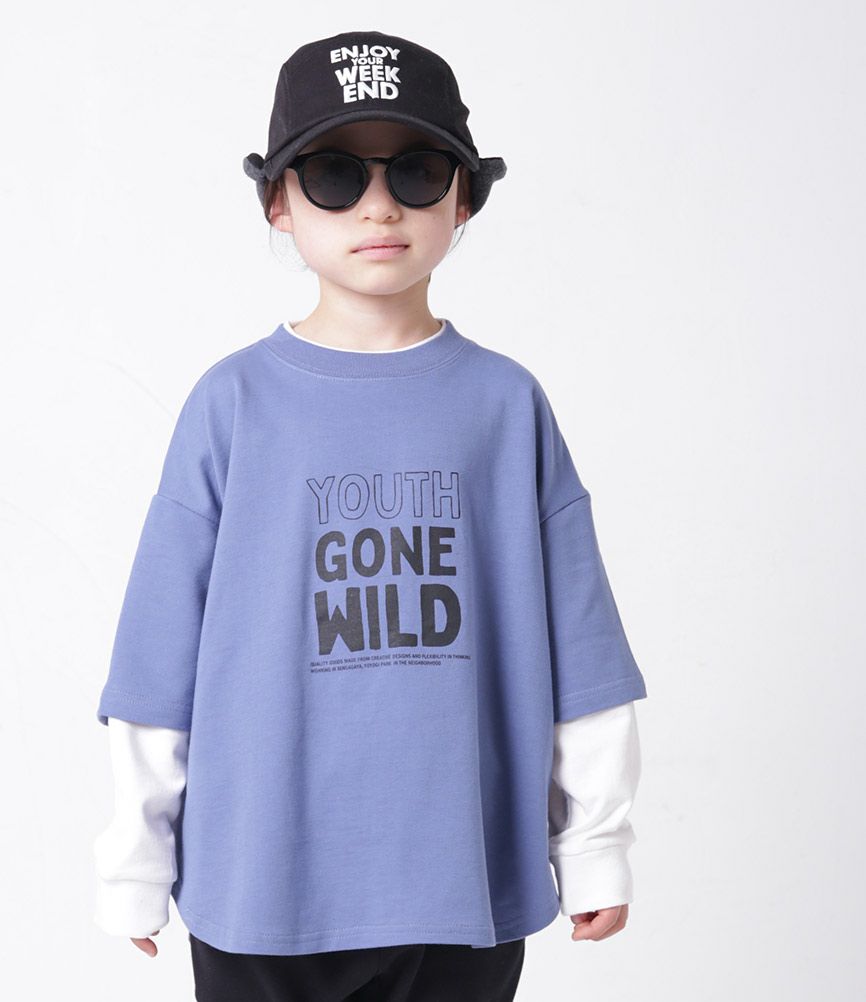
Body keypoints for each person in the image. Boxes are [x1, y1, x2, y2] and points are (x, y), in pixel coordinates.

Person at [92, 29, 647, 1002]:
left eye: (418, 172)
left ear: (464, 198)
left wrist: (595, 844)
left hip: (458, 879)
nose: (380, 205)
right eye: (335, 175)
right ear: (279, 201)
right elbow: (158, 653)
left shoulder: (505, 406)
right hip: (260, 881)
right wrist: (136, 856)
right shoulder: (233, 405)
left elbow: (583, 645)